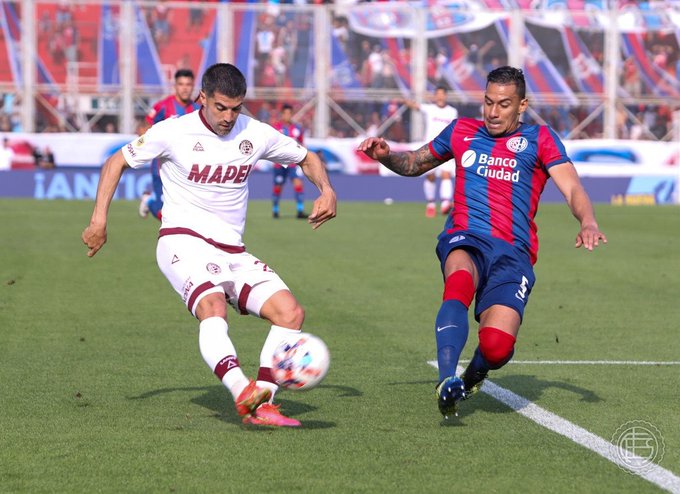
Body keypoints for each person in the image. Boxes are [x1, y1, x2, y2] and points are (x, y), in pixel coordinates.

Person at [82, 63, 337, 427]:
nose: (229, 117)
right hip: (182, 241)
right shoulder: (173, 131)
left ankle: (261, 403)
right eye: (220, 107)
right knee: (212, 305)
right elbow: (115, 162)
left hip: (232, 250)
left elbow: (306, 158)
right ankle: (240, 390)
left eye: (236, 108)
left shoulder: (255, 132)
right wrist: (98, 220)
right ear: (202, 98)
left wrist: (326, 190)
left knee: (290, 313)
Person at [358, 66, 606, 419]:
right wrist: (386, 156)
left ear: (522, 105)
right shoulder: (462, 131)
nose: (492, 112)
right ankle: (446, 380)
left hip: (513, 253)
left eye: (504, 104)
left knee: (497, 347)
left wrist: (588, 220)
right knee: (458, 280)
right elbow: (414, 163)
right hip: (467, 236)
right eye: (488, 102)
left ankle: (473, 375)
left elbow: (572, 187)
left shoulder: (541, 139)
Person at [139, 68, 201, 221]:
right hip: (162, 167)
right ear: (175, 86)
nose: (185, 88)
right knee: (164, 214)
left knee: (187, 213)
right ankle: (149, 201)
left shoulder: (198, 109)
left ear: (193, 86)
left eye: (188, 84)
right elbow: (143, 128)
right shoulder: (163, 106)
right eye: (181, 84)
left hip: (187, 168)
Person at [404, 86, 458, 217]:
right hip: (430, 148)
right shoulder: (429, 109)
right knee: (430, 176)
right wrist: (405, 99)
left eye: (442, 94)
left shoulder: (452, 112)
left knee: (446, 174)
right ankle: (431, 204)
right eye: (437, 94)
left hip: (447, 148)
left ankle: (445, 203)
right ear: (435, 96)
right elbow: (415, 106)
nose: (440, 97)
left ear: (445, 96)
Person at [271, 103, 307, 219]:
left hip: (293, 163)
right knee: (278, 186)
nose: (287, 116)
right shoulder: (276, 128)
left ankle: (300, 211)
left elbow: (302, 144)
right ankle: (275, 210)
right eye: (285, 113)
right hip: (280, 163)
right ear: (282, 114)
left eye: (289, 113)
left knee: (298, 184)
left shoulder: (297, 129)